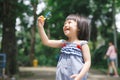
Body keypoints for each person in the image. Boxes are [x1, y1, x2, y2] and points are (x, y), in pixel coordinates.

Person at [38, 14, 91, 80]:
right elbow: (46, 42)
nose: (65, 25)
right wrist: (40, 27)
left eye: (69, 22)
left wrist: (79, 76)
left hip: (76, 77)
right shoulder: (63, 43)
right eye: (65, 23)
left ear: (79, 28)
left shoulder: (82, 44)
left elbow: (87, 62)